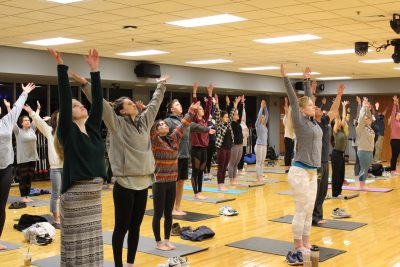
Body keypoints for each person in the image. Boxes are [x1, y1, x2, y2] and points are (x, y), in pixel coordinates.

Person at [75, 70, 169, 267]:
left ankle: (130, 263)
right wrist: (85, 84)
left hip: (143, 182)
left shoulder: (144, 122)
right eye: (128, 103)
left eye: (131, 102)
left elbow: (154, 104)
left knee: (136, 228)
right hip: (125, 183)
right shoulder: (116, 124)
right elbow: (101, 104)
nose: (133, 103)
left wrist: (160, 85)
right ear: (122, 111)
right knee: (122, 228)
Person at [49, 48, 107, 267]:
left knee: (92, 246)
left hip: (94, 199)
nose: (81, 104)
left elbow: (99, 103)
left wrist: (95, 70)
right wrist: (61, 67)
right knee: (75, 248)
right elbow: (64, 99)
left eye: (80, 102)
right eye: (75, 105)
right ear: (67, 115)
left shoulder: (92, 129)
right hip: (75, 199)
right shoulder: (67, 132)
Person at [281, 65, 323, 264]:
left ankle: (306, 242)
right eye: (311, 105)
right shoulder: (299, 120)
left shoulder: (313, 122)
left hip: (313, 171)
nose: (314, 107)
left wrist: (307, 81)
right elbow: (295, 100)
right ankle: (297, 245)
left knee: (309, 209)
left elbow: (308, 99)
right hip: (299, 171)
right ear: (303, 109)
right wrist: (285, 77)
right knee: (301, 209)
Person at [151, 102, 199, 251]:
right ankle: (158, 242)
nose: (164, 126)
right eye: (161, 125)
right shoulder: (155, 142)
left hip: (172, 181)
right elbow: (149, 129)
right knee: (158, 214)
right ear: (156, 131)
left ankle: (167, 240)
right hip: (159, 182)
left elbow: (183, 124)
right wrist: (147, 111)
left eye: (165, 124)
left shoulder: (174, 139)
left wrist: (192, 110)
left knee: (168, 214)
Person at [0, 84, 35, 250]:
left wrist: (24, 93)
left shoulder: (6, 122)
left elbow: (16, 107)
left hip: (5, 168)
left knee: (1, 206)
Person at [164, 99, 210, 215]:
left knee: (181, 182)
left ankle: (178, 207)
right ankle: (171, 208)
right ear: (171, 109)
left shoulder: (186, 120)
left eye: (180, 103)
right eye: (176, 104)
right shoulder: (168, 121)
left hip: (184, 155)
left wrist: (209, 129)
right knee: (173, 183)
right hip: (174, 157)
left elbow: (196, 126)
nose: (179, 106)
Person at [25, 102, 63, 225]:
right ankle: (56, 217)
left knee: (66, 194)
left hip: (68, 168)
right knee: (55, 194)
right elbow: (40, 123)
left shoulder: (69, 132)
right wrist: (31, 112)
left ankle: (65, 215)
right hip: (56, 168)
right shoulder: (50, 130)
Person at [312, 82, 343, 225]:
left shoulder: (324, 120)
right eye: (316, 108)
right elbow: (310, 104)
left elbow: (334, 109)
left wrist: (339, 95)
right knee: (316, 191)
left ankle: (318, 215)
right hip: (315, 162)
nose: (319, 109)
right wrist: (312, 90)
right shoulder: (311, 123)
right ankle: (313, 217)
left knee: (323, 191)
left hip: (325, 161)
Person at [190, 82, 214, 199]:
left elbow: (208, 107)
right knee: (195, 171)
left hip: (204, 148)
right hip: (195, 148)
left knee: (201, 171)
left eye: (201, 108)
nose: (202, 109)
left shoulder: (204, 119)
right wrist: (194, 93)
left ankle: (199, 192)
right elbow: (195, 105)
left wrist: (210, 94)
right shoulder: (194, 120)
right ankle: (195, 193)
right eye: (199, 108)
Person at [13, 106, 39, 203]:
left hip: (33, 158)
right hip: (23, 159)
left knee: (29, 178)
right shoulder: (18, 131)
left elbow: (36, 118)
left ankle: (27, 195)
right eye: (25, 120)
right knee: (23, 178)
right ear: (21, 122)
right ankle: (23, 196)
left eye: (28, 120)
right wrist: (8, 108)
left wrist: (38, 109)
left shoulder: (32, 129)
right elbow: (12, 121)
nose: (28, 121)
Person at [215, 94, 241, 191]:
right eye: (225, 117)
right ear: (221, 118)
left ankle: (222, 183)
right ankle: (220, 184)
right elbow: (217, 112)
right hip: (221, 147)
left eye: (227, 117)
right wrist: (217, 103)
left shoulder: (229, 123)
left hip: (228, 147)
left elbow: (232, 113)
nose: (227, 118)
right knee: (221, 167)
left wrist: (236, 104)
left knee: (225, 167)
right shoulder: (219, 123)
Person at [331, 101, 349, 198]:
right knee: (336, 175)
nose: (341, 122)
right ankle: (335, 193)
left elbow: (343, 118)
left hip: (342, 155)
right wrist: (337, 106)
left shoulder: (344, 131)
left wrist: (344, 107)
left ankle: (339, 192)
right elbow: (337, 117)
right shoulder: (336, 131)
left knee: (341, 175)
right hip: (336, 154)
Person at [356, 97, 375, 189]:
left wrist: (368, 109)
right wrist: (363, 108)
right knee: (363, 168)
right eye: (365, 119)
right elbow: (361, 118)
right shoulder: (361, 128)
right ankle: (361, 185)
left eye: (368, 119)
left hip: (370, 150)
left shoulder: (370, 128)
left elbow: (370, 117)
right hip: (363, 150)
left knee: (366, 168)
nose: (367, 119)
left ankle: (363, 183)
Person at [227, 95, 244, 185]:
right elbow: (233, 112)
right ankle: (231, 180)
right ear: (233, 116)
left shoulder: (237, 123)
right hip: (234, 145)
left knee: (236, 163)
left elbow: (240, 113)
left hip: (240, 145)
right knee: (232, 163)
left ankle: (234, 178)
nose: (238, 115)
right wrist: (236, 104)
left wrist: (241, 103)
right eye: (236, 114)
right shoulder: (231, 124)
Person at [255, 100, 269, 181]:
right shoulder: (258, 125)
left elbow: (267, 115)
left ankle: (261, 174)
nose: (263, 118)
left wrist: (265, 107)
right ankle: (258, 176)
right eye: (262, 118)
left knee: (262, 162)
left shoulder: (264, 126)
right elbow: (260, 115)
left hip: (264, 145)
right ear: (260, 119)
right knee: (258, 161)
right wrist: (261, 107)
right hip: (259, 145)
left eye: (264, 118)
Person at [283, 97, 295, 170]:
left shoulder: (292, 119)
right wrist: (286, 102)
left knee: (290, 153)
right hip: (288, 138)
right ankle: (287, 167)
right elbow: (287, 110)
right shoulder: (287, 117)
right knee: (288, 153)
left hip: (292, 138)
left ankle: (289, 166)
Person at [238, 96, 249, 174]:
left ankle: (241, 168)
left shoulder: (245, 124)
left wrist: (243, 104)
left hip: (244, 142)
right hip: (239, 143)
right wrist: (241, 103)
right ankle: (239, 168)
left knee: (243, 156)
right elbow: (240, 111)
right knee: (239, 156)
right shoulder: (239, 124)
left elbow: (247, 134)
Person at [389, 96, 400, 175]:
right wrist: (394, 104)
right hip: (395, 141)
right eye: (398, 115)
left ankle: (395, 169)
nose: (399, 115)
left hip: (399, 140)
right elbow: (394, 112)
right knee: (394, 156)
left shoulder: (399, 122)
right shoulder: (393, 121)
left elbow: (398, 111)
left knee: (396, 156)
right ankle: (392, 171)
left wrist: (398, 104)